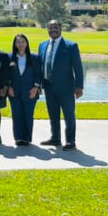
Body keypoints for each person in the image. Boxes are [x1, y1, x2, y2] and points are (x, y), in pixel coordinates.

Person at [38, 19, 84, 150]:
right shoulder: (43, 45)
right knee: (53, 114)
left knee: (69, 115)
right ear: (47, 29)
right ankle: (55, 138)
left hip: (66, 88)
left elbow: (78, 68)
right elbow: (41, 66)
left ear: (60, 28)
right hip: (49, 86)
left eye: (55, 27)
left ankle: (70, 141)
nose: (53, 30)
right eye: (50, 28)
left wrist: (79, 86)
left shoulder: (70, 46)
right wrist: (40, 84)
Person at [8, 34, 42, 145]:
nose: (21, 44)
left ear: (26, 43)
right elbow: (5, 75)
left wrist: (36, 87)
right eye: (18, 42)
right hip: (14, 91)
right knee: (16, 114)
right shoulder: (10, 57)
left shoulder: (34, 58)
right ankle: (18, 138)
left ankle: (26, 138)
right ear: (15, 44)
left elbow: (38, 74)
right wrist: (8, 87)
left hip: (30, 91)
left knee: (28, 115)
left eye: (23, 42)